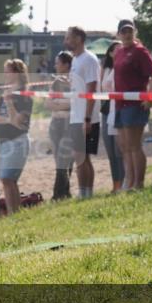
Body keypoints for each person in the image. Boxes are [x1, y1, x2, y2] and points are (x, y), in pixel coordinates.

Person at [113, 19, 152, 190]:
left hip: (134, 104)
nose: (127, 34)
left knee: (134, 145)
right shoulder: (118, 52)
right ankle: (129, 181)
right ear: (118, 34)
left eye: (129, 31)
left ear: (135, 32)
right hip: (119, 103)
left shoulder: (140, 51)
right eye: (123, 31)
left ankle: (138, 183)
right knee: (124, 146)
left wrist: (149, 97)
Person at [64, 26, 100, 197]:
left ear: (78, 39)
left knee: (82, 157)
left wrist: (87, 118)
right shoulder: (76, 60)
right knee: (80, 156)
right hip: (76, 115)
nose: (66, 41)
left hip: (86, 116)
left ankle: (86, 192)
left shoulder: (89, 59)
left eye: (69, 38)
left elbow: (91, 88)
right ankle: (84, 191)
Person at [0, 59, 33, 214]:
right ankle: (14, 213)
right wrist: (8, 119)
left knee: (7, 178)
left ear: (17, 72)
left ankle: (13, 213)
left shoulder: (24, 96)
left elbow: (18, 123)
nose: (5, 74)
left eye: (7, 71)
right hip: (3, 141)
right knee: (7, 180)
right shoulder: (6, 93)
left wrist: (10, 105)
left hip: (17, 141)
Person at [98, 43, 125, 194]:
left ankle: (122, 181)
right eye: (115, 49)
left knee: (118, 150)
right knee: (110, 150)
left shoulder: (121, 68)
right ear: (110, 53)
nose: (119, 51)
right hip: (107, 109)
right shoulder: (106, 68)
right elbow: (101, 88)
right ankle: (115, 183)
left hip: (118, 107)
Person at [48, 51, 75, 199]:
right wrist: (62, 105)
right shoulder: (56, 82)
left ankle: (58, 194)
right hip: (55, 122)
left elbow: (74, 103)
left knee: (64, 159)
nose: (55, 65)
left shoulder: (74, 81)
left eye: (58, 63)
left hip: (68, 122)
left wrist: (58, 104)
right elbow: (48, 103)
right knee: (59, 160)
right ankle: (65, 192)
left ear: (66, 65)